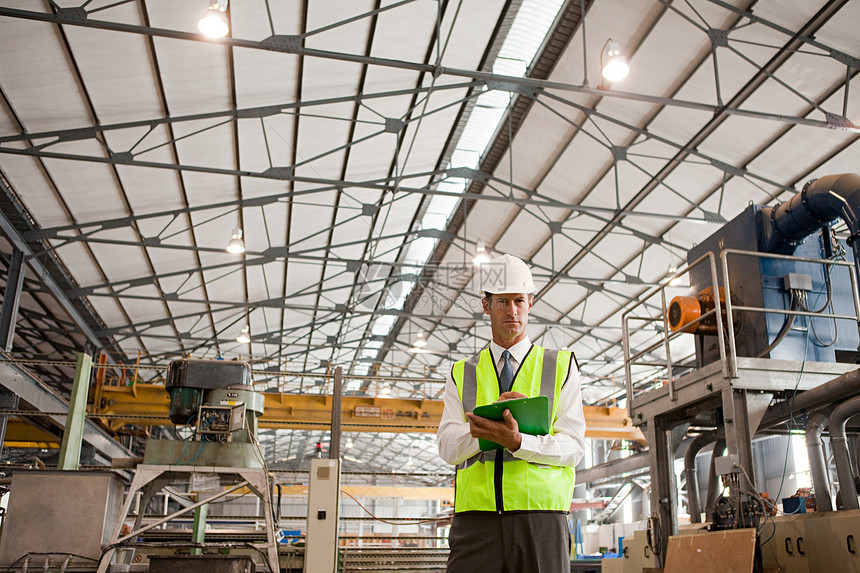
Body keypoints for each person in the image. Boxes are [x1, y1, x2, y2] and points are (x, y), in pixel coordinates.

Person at [437, 253, 586, 573]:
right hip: (475, 521)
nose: (512, 311)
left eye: (519, 300)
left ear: (531, 302)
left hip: (541, 519)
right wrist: (483, 431)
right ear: (486, 305)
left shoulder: (560, 366)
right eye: (502, 301)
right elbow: (448, 447)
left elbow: (573, 447)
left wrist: (520, 441)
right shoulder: (462, 373)